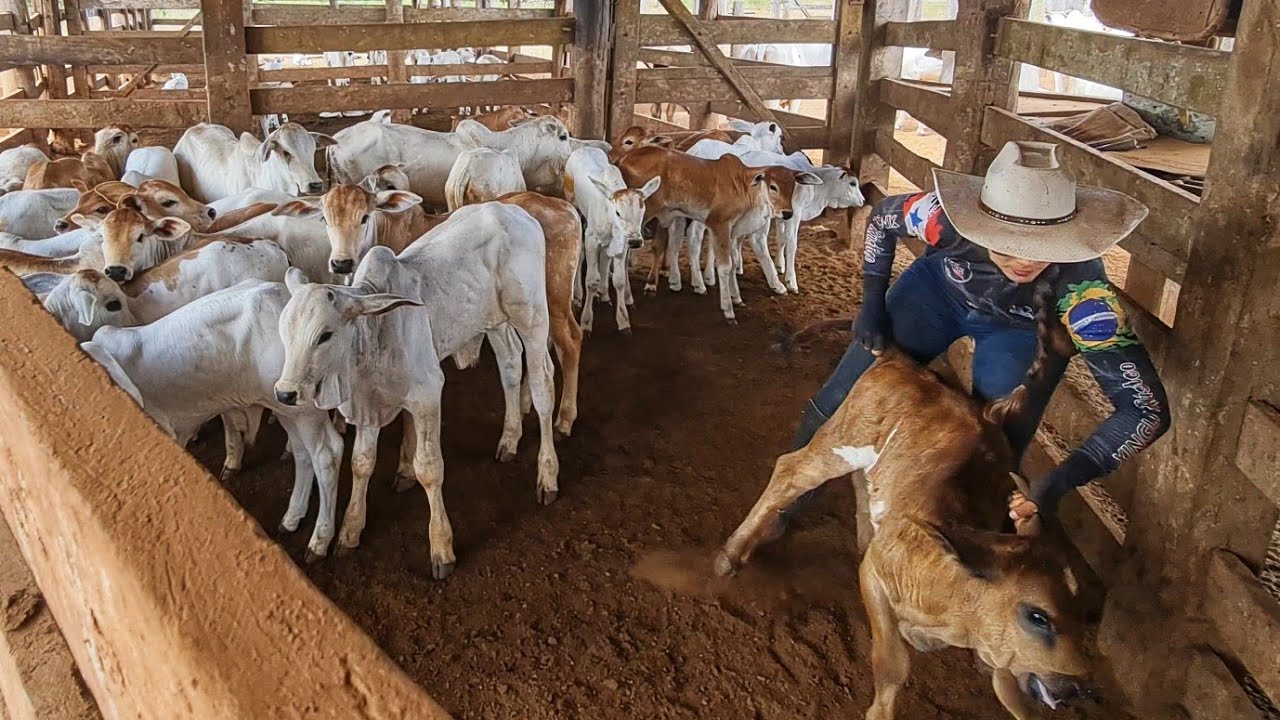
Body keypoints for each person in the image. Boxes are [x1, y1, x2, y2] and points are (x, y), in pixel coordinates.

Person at [777, 140, 1170, 532]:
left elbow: (1145, 410)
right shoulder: (942, 219)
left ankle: (954, 541)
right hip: (936, 294)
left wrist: (1060, 481)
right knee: (839, 396)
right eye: (1007, 242)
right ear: (979, 226)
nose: (1026, 259)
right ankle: (785, 501)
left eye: (1045, 246)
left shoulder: (1083, 291)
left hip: (1022, 329)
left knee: (997, 450)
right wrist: (871, 302)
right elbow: (882, 218)